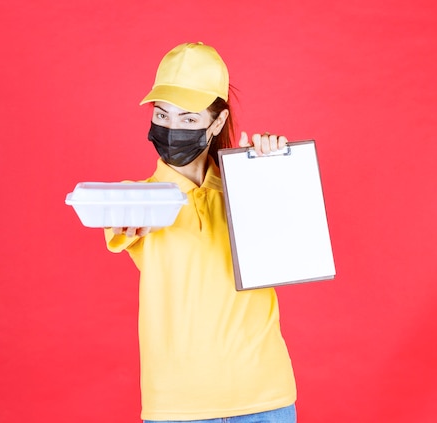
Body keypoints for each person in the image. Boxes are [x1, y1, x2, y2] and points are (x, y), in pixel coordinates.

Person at [104, 42, 297, 423]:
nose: (172, 128)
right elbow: (120, 216)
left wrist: (274, 173)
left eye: (189, 119)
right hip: (179, 407)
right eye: (163, 115)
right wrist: (132, 218)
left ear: (217, 123)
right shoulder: (141, 197)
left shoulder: (246, 188)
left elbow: (291, 250)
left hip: (266, 400)